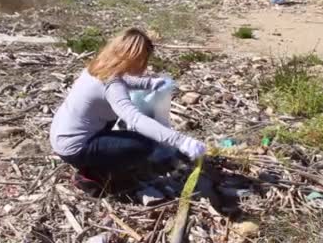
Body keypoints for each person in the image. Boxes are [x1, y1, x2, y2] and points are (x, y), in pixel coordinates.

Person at [50, 28, 206, 195]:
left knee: (121, 126)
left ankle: (100, 158)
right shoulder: (112, 86)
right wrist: (180, 140)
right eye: (143, 60)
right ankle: (92, 175)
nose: (144, 66)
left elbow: (122, 79)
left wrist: (148, 84)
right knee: (143, 145)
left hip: (61, 135)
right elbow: (134, 118)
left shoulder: (96, 67)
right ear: (134, 59)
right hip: (75, 148)